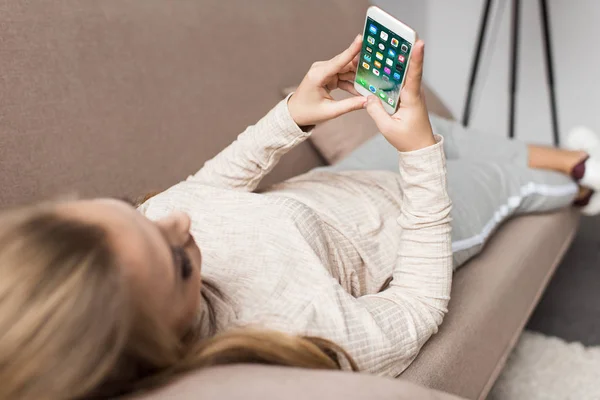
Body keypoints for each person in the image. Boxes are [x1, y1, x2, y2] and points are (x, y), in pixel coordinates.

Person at [0, 35, 598, 400]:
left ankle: (572, 154)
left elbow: (205, 189)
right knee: (510, 182)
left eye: (135, 211)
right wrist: (418, 156)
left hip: (338, 186)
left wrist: (294, 114)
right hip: (415, 218)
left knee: (454, 135)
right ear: (158, 350)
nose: (176, 222)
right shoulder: (292, 330)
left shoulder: (150, 238)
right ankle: (580, 181)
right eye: (177, 261)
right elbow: (415, 308)